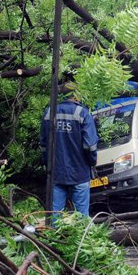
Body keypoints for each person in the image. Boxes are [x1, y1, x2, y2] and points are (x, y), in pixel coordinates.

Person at [40, 82, 99, 222]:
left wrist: (48, 164)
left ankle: (54, 241)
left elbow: (43, 144)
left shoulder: (49, 113)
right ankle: (80, 241)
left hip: (56, 172)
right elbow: (90, 146)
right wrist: (92, 163)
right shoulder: (82, 113)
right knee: (81, 217)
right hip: (79, 172)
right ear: (76, 95)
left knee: (55, 215)